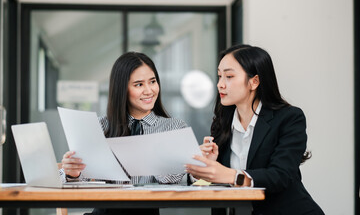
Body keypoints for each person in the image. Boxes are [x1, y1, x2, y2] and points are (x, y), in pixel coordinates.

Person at [185, 44, 324, 215]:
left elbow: (280, 176)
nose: (220, 84)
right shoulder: (223, 121)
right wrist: (204, 167)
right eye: (219, 76)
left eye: (229, 76)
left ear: (254, 82)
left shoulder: (289, 118)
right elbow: (219, 182)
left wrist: (231, 175)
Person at [61, 52, 187, 215]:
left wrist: (144, 148)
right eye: (139, 84)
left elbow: (172, 178)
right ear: (123, 89)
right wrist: (72, 172)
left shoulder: (174, 127)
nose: (149, 90)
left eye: (153, 82)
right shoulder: (100, 126)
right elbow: (75, 179)